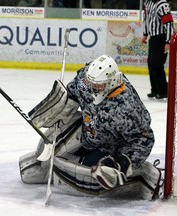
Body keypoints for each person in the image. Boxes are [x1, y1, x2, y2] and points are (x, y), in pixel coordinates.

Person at [19, 55, 163, 200]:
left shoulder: (127, 107)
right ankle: (45, 167)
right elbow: (73, 91)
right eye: (91, 82)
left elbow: (143, 139)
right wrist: (60, 106)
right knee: (52, 141)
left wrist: (123, 163)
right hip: (87, 130)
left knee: (91, 178)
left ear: (113, 81)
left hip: (108, 146)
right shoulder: (85, 79)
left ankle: (139, 175)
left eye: (98, 85)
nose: (92, 88)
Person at [142, 0, 175, 100]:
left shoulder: (162, 4)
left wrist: (168, 41)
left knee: (156, 64)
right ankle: (155, 90)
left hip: (161, 37)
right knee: (151, 64)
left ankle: (164, 91)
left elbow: (169, 23)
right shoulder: (150, 4)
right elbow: (147, 20)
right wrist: (145, 34)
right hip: (154, 37)